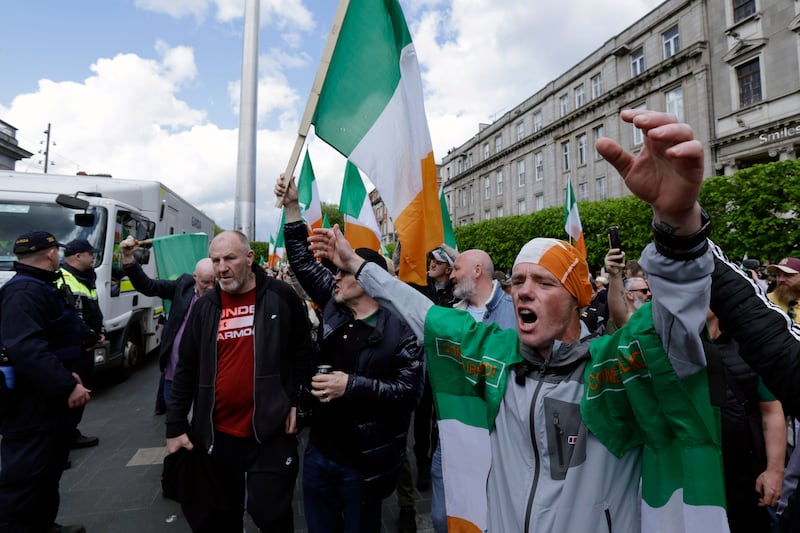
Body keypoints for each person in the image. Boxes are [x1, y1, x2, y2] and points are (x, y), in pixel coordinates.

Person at [310, 109, 721, 531]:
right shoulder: (494, 358)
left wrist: (678, 227)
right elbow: (422, 313)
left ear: (577, 297)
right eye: (519, 280)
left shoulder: (612, 369)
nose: (523, 290)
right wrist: (359, 268)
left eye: (543, 282)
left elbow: (674, 324)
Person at [276, 179, 424, 533]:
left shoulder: (401, 330)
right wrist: (293, 207)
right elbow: (301, 260)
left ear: (368, 280)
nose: (335, 278)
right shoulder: (335, 304)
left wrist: (350, 386)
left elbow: (407, 395)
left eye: (343, 272)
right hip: (319, 455)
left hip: (363, 466)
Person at [165, 231, 312, 532]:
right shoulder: (205, 308)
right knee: (221, 515)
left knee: (273, 515)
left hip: (271, 433)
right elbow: (186, 369)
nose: (221, 267)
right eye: (216, 260)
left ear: (249, 258)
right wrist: (175, 426)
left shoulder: (281, 297)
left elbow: (304, 354)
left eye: (230, 258)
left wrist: (298, 400)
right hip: (218, 436)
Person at [0, 231, 91, 533]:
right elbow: (28, 349)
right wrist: (68, 385)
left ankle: (43, 525)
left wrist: (67, 375)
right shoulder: (23, 292)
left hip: (46, 403)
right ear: (51, 253)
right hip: (30, 407)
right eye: (57, 252)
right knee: (27, 478)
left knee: (47, 472)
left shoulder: (38, 286)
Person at [431, 247, 515, 533]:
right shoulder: (452, 317)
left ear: (478, 270)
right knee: (445, 516)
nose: (451, 275)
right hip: (454, 437)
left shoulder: (515, 314)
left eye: (456, 269)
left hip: (497, 438)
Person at [706, 310, 785, 533]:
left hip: (745, 477)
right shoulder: (671, 348)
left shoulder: (747, 345)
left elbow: (771, 408)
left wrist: (774, 470)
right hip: (695, 479)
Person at [119, 237, 216, 409]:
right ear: (195, 277)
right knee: (175, 419)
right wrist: (128, 258)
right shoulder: (183, 287)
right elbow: (148, 286)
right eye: (205, 282)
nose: (210, 287)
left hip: (207, 376)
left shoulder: (223, 296)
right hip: (175, 374)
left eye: (214, 282)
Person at [58, 238, 102, 451]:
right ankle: (59, 444)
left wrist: (97, 334)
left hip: (85, 347)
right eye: (90, 253)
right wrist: (91, 336)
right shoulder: (63, 278)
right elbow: (71, 316)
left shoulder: (86, 277)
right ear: (77, 256)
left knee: (80, 393)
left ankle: (71, 434)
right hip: (71, 349)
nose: (93, 257)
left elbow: (91, 309)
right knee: (66, 397)